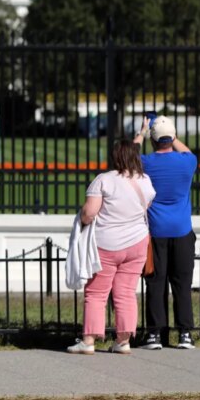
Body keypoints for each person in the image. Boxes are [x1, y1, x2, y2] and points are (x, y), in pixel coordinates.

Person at [66, 140, 156, 355]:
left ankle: (88, 341)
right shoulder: (145, 180)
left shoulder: (103, 180)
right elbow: (147, 205)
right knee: (126, 292)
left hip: (107, 244)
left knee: (96, 292)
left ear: (116, 156)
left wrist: (81, 218)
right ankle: (123, 341)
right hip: (137, 243)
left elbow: (89, 213)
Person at [133, 115, 198, 350]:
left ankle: (154, 334)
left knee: (156, 282)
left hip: (156, 232)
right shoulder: (187, 162)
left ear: (153, 140)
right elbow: (188, 152)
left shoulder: (146, 163)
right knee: (182, 283)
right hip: (182, 230)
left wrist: (141, 132)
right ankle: (185, 333)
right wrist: (174, 136)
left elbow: (129, 156)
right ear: (172, 137)